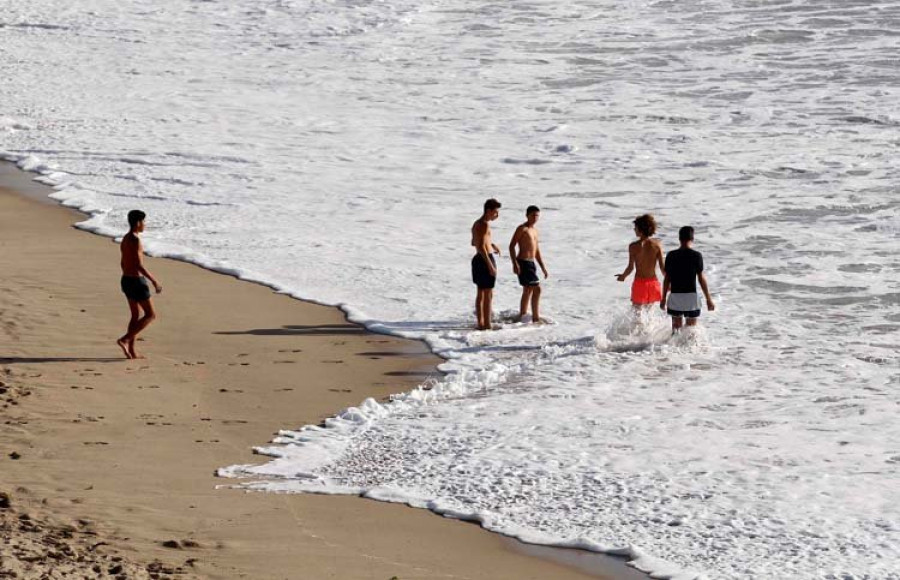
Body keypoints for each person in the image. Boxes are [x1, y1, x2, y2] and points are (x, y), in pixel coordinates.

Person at [116, 210, 162, 359]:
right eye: (143, 222)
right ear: (137, 223)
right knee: (150, 315)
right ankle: (125, 339)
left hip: (126, 280)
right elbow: (138, 265)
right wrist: (154, 280)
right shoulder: (135, 240)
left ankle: (132, 351)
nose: (145, 225)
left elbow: (123, 262)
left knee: (135, 315)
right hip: (136, 281)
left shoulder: (125, 238)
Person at [660, 226, 715, 331]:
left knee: (676, 331)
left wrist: (663, 298)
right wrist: (709, 299)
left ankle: (672, 348)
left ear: (679, 239)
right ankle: (690, 348)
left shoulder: (671, 255)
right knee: (691, 332)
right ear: (692, 239)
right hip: (691, 297)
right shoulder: (696, 255)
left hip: (676, 296)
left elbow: (667, 278)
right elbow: (701, 279)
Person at [509, 205, 549, 323]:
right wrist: (514, 263)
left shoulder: (535, 231)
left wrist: (543, 267)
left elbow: (536, 251)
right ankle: (535, 319)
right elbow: (511, 246)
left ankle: (523, 316)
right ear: (527, 215)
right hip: (523, 262)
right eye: (533, 215)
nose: (535, 218)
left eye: (537, 215)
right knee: (537, 289)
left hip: (531, 263)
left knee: (528, 289)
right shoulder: (522, 228)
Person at [616, 214, 664, 309]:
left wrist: (623, 276)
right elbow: (663, 268)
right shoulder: (657, 245)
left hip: (640, 284)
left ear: (641, 230)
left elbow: (630, 267)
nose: (634, 230)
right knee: (649, 313)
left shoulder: (633, 246)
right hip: (653, 283)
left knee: (637, 315)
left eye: (636, 228)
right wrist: (669, 282)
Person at [472, 198, 502, 330]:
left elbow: (474, 242)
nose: (497, 215)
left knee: (480, 293)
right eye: (495, 212)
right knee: (488, 294)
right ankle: (487, 325)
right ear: (489, 211)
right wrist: (490, 265)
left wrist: (491, 244)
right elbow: (480, 246)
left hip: (477, 259)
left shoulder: (476, 223)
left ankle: (481, 323)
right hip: (485, 259)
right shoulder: (484, 224)